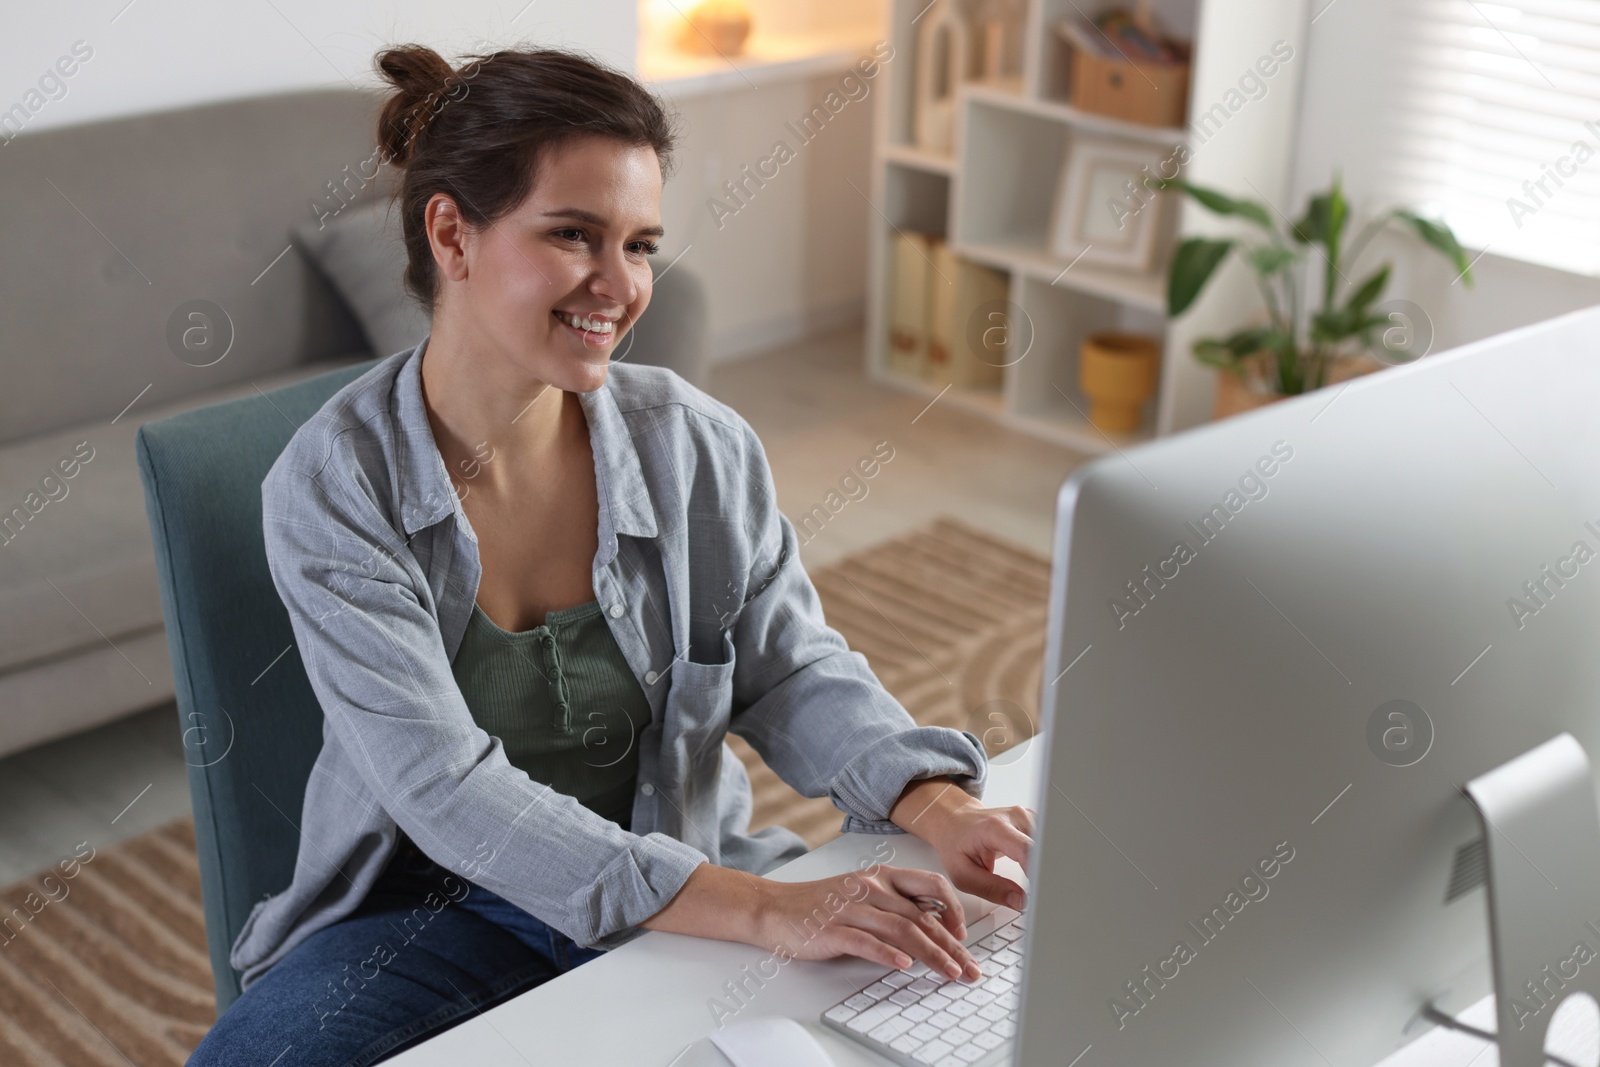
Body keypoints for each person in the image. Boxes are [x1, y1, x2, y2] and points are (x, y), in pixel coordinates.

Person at [187, 42, 1033, 1067]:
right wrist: (768, 911)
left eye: (639, 244)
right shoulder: (333, 488)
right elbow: (443, 785)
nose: (619, 284)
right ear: (451, 232)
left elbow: (790, 665)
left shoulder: (696, 444)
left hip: (686, 874)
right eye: (574, 235)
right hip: (434, 918)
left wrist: (932, 800)